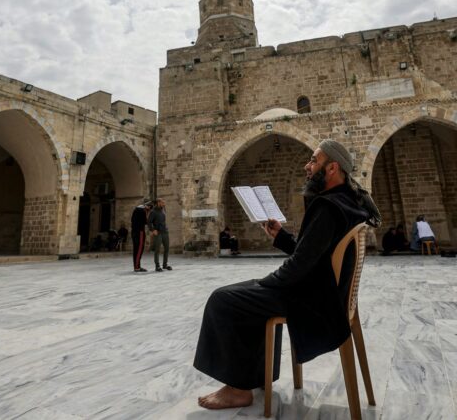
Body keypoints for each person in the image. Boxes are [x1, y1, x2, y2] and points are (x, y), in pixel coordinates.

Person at [194, 139, 380, 410]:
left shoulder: (328, 207)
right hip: (325, 296)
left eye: (314, 160)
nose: (308, 165)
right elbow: (311, 255)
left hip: (313, 302)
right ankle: (252, 378)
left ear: (332, 168)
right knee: (245, 296)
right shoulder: (347, 201)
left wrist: (264, 284)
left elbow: (298, 267)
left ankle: (238, 389)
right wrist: (281, 236)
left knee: (223, 299)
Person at [149, 198, 171, 271]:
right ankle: (157, 266)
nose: (164, 204)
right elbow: (149, 222)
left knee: (167, 248)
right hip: (158, 233)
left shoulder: (163, 210)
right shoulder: (153, 212)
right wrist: (153, 230)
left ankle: (165, 264)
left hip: (165, 232)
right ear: (158, 202)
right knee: (157, 250)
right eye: (162, 202)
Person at [130, 202, 151, 272]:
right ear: (147, 207)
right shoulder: (142, 211)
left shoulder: (136, 210)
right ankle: (137, 267)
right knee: (139, 249)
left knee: (136, 249)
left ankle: (137, 266)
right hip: (140, 232)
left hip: (134, 231)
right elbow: (146, 222)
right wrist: (147, 214)